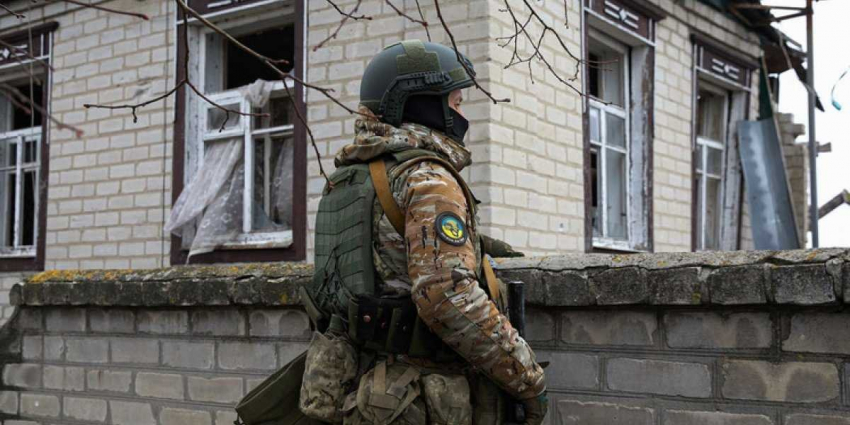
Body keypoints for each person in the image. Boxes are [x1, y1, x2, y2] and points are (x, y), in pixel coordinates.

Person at [301, 40, 547, 425]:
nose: (462, 115)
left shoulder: (349, 178)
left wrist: (476, 244)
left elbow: (383, 253)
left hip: (356, 388)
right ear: (422, 104)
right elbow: (447, 295)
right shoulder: (427, 178)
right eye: (456, 103)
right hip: (413, 395)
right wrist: (527, 379)